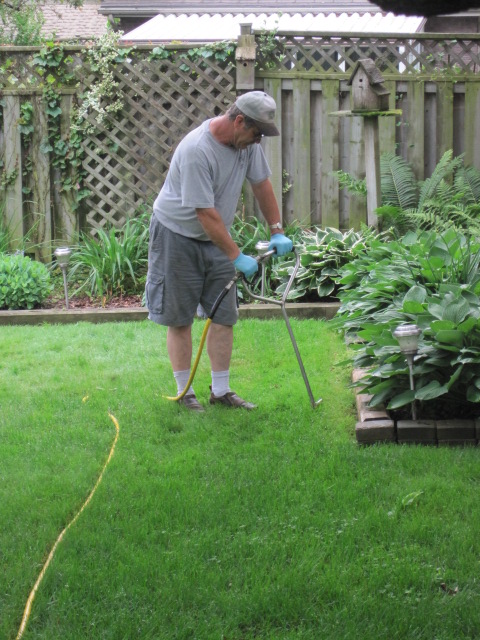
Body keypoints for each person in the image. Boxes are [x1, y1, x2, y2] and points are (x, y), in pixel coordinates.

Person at [146, 90, 293, 412]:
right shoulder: (197, 149)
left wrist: (277, 230)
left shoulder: (246, 145)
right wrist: (236, 256)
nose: (258, 141)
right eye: (256, 133)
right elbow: (204, 213)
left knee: (223, 315)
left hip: (215, 235)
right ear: (239, 121)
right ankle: (185, 392)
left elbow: (262, 184)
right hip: (176, 235)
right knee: (180, 317)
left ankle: (221, 391)